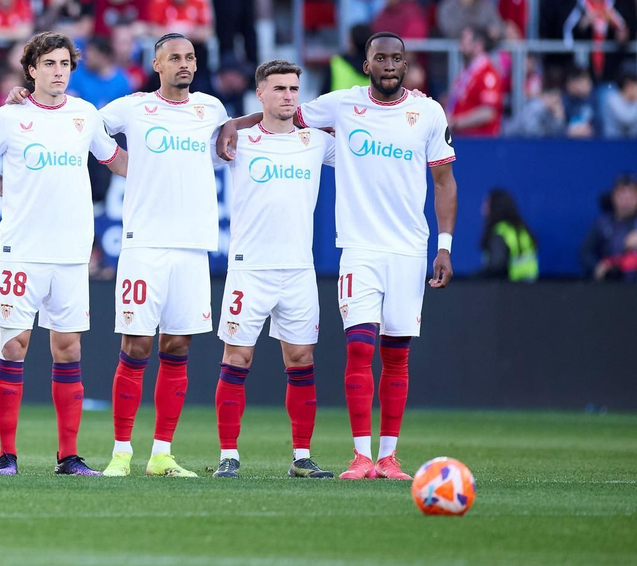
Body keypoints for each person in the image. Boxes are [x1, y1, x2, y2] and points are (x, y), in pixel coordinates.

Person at [217, 32, 457, 480]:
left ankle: (387, 457)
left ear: (407, 65)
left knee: (395, 353)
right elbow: (285, 112)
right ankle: (359, 456)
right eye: (379, 57)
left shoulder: (427, 111)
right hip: (356, 249)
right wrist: (236, 123)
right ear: (365, 64)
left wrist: (444, 246)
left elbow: (444, 181)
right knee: (359, 347)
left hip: (409, 248)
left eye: (396, 58)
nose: (388, 64)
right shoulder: (342, 105)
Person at [0, 32, 126, 476]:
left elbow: (116, 161)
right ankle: (6, 456)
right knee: (14, 347)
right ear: (32, 69)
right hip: (22, 251)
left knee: (68, 349)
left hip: (71, 252)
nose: (58, 71)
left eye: (64, 64)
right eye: (49, 63)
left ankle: (68, 456)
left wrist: (172, 169)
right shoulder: (10, 116)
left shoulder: (85, 114)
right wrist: (9, 189)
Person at [92, 33, 226, 478]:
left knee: (178, 345)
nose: (184, 64)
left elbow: (236, 139)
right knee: (135, 344)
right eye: (174, 58)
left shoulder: (212, 109)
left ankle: (162, 453)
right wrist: (116, 160)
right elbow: (85, 125)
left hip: (192, 245)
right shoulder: (131, 107)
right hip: (144, 242)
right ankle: (121, 452)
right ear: (157, 65)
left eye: (190, 56)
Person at [213, 59, 336, 479]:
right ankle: (229, 454)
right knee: (238, 358)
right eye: (279, 88)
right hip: (250, 268)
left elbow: (366, 146)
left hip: (299, 269)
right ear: (260, 94)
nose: (287, 96)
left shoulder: (316, 142)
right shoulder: (239, 140)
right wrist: (233, 122)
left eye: (293, 89)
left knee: (301, 359)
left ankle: (301, 457)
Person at [581, 174, 637, 281]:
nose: (627, 198)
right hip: (611, 285)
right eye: (622, 193)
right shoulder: (602, 223)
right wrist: (596, 266)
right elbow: (585, 252)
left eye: (632, 194)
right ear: (613, 196)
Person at [480, 189, 537, 282]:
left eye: (486, 205)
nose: (483, 210)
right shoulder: (522, 230)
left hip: (509, 289)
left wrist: (475, 279)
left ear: (495, 207)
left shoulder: (501, 233)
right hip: (531, 287)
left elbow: (497, 267)